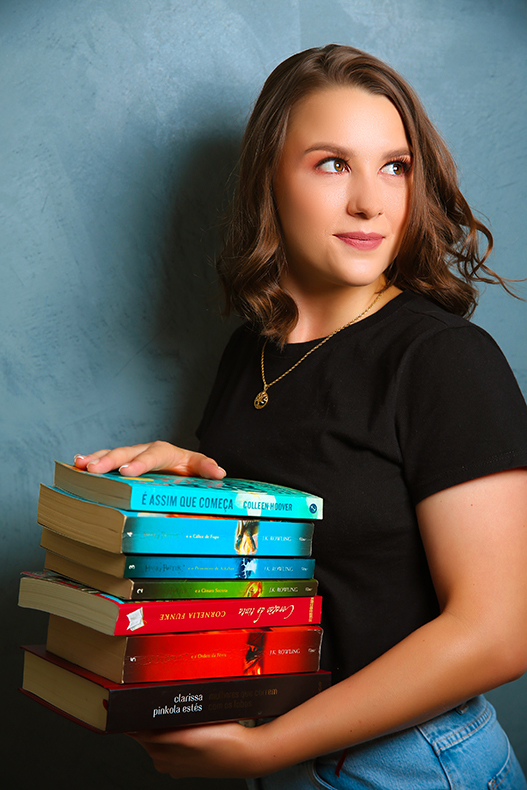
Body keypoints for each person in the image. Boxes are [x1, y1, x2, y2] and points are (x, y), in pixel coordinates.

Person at [74, 45, 527, 788]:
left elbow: (497, 633)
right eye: (332, 164)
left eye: (394, 167)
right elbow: (279, 560)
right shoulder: (249, 351)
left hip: (412, 763)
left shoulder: (442, 358)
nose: (370, 202)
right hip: (283, 753)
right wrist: (192, 488)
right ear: (269, 181)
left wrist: (263, 749)